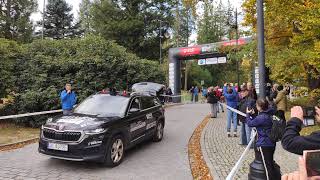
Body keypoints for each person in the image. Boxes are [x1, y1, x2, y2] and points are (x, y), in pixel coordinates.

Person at [246, 98, 281, 180]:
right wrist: (254, 115)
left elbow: (250, 123)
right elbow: (262, 123)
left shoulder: (262, 117)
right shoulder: (271, 114)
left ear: (259, 107)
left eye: (257, 105)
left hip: (264, 144)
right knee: (270, 163)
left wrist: (248, 114)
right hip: (272, 142)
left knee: (267, 166)